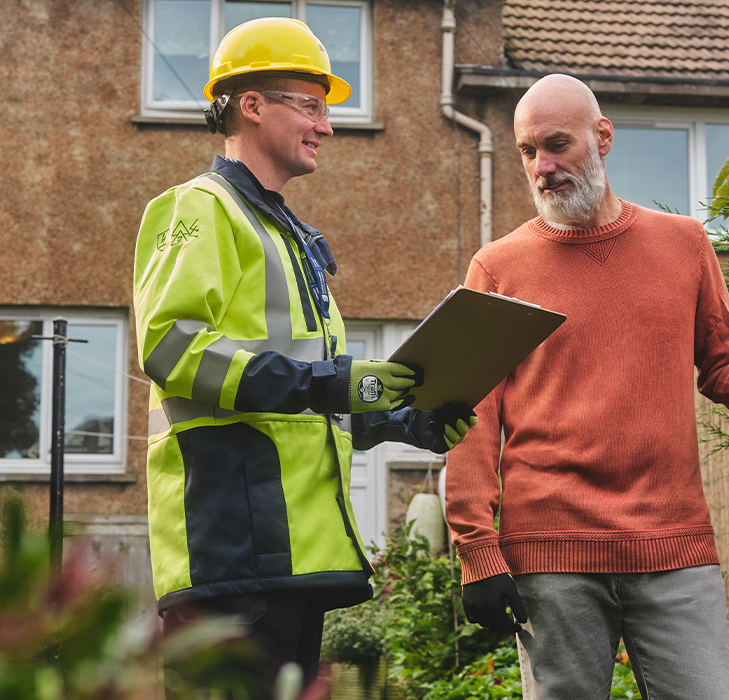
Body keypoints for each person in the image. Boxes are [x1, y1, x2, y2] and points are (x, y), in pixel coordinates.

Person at [442, 73, 729, 700]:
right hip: (552, 550)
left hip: (673, 544)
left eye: (557, 145)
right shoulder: (498, 267)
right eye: (527, 152)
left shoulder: (682, 244)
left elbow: (724, 359)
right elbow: (470, 417)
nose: (542, 167)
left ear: (603, 137)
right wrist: (476, 550)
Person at [131, 17, 476, 695]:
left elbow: (310, 405)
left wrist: (409, 422)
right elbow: (172, 353)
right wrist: (341, 385)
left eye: (328, 109)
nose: (326, 125)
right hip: (230, 552)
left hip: (291, 561)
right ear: (251, 105)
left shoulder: (288, 237)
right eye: (310, 105)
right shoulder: (197, 209)